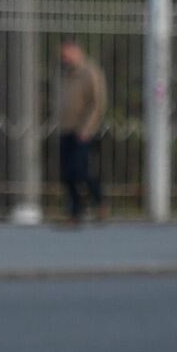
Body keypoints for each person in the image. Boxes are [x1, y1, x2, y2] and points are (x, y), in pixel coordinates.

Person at [56, 40, 107, 224]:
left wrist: (87, 128)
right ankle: (75, 212)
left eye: (67, 53)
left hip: (84, 131)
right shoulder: (65, 73)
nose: (64, 58)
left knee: (82, 171)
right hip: (66, 129)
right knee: (67, 174)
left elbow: (97, 103)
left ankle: (99, 203)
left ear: (77, 51)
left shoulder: (89, 72)